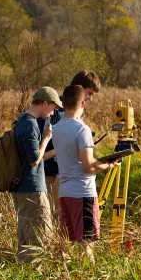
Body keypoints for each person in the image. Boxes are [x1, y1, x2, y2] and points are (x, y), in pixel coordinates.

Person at [54, 85, 117, 255]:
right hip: (82, 193)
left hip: (65, 192)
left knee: (70, 243)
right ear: (82, 103)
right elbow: (88, 166)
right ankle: (88, 279)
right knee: (86, 244)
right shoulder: (82, 129)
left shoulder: (57, 128)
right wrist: (108, 165)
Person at [41, 71, 102, 219]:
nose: (90, 98)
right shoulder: (59, 110)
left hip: (63, 176)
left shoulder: (73, 111)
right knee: (57, 218)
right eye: (89, 93)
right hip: (52, 174)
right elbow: (54, 140)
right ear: (79, 89)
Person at [11, 86, 62, 263]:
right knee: (40, 234)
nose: (53, 112)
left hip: (24, 187)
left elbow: (31, 158)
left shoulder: (22, 121)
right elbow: (34, 160)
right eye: (53, 107)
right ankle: (35, 274)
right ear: (45, 103)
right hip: (32, 188)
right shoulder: (30, 124)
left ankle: (24, 271)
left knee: (27, 235)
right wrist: (46, 138)